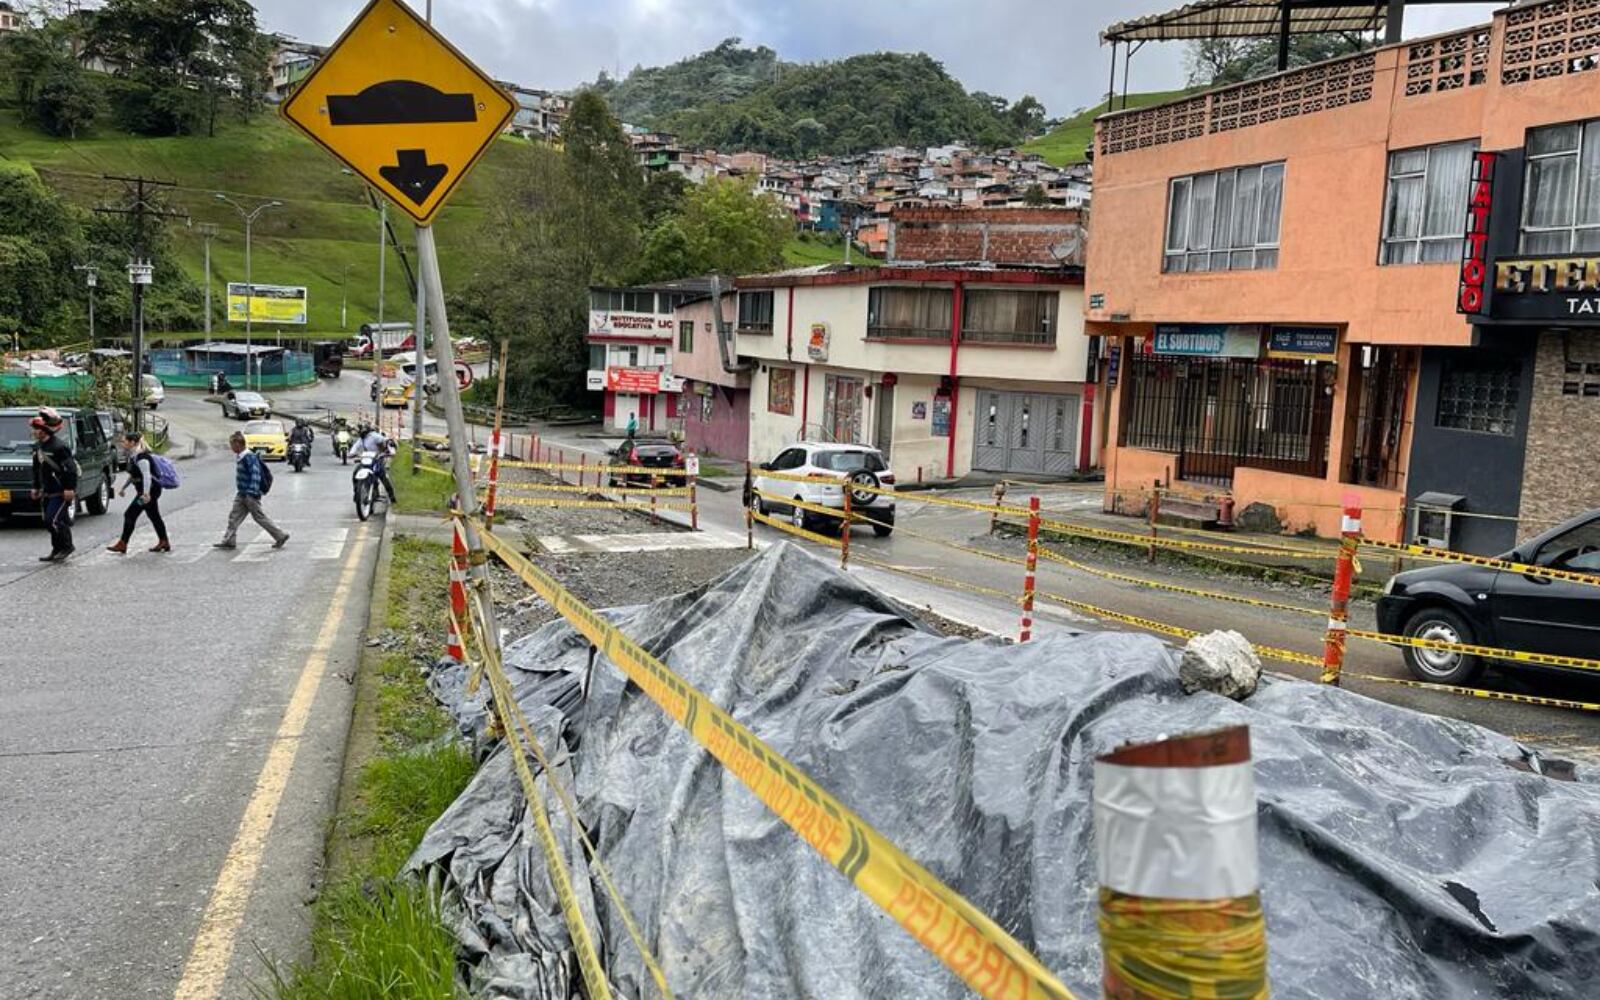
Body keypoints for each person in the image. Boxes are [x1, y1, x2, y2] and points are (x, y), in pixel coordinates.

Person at [216, 431, 288, 550]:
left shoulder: (249, 457)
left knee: (259, 517)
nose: (231, 447)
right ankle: (229, 540)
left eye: (232, 445)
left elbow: (255, 474)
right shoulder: (242, 456)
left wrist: (252, 492)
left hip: (250, 494)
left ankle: (280, 536)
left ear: (238, 444)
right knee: (234, 516)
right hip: (242, 493)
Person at [108, 431, 169, 554]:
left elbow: (146, 476)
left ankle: (123, 544)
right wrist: (124, 488)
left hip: (149, 491)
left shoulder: (142, 457)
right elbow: (134, 475)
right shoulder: (134, 456)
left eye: (124, 441)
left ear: (132, 442)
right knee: (154, 515)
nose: (122, 443)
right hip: (147, 491)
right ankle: (164, 541)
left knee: (130, 514)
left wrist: (146, 494)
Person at [29, 408, 77, 562]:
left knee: (53, 520)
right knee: (50, 521)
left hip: (61, 490)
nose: (34, 432)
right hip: (47, 491)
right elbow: (36, 469)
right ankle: (57, 549)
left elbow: (71, 469)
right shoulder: (38, 447)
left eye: (36, 429)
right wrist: (36, 487)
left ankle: (67, 546)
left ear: (44, 431)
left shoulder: (59, 447)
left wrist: (70, 488)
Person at [353, 422, 397, 504]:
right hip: (366, 460)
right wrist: (351, 454)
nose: (361, 434)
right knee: (356, 472)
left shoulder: (374, 436)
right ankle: (357, 495)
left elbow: (387, 442)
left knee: (383, 476)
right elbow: (355, 447)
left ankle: (392, 497)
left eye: (362, 432)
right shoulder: (361, 439)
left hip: (377, 459)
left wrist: (390, 450)